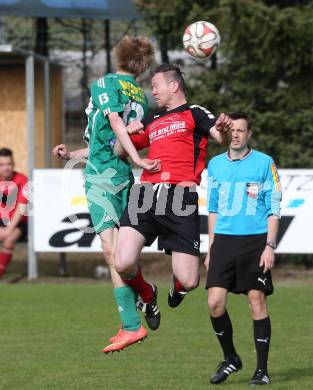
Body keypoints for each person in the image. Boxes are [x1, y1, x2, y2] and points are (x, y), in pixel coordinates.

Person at [53, 36, 160, 354]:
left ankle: (131, 324)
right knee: (113, 252)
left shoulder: (105, 83)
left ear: (119, 57)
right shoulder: (139, 95)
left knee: (111, 251)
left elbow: (115, 123)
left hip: (103, 177)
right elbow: (111, 141)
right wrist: (73, 152)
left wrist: (139, 159)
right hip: (119, 174)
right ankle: (145, 297)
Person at [114, 64, 233, 332]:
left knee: (190, 280)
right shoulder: (153, 119)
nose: (152, 91)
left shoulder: (195, 113)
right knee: (122, 263)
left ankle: (178, 287)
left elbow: (220, 137)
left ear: (174, 85)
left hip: (180, 196)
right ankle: (147, 295)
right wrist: (128, 132)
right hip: (145, 194)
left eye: (156, 85)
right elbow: (121, 151)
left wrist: (224, 129)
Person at [204, 111, 282, 385]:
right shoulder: (215, 165)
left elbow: (274, 207)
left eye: (240, 130)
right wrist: (211, 247)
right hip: (223, 241)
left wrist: (269, 246)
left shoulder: (264, 163)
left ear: (249, 134)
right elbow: (212, 207)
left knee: (256, 301)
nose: (235, 134)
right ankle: (231, 358)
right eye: (232, 130)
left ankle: (262, 370)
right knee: (214, 303)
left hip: (255, 242)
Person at [0, 148, 28, 278]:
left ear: (13, 164)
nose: (6, 168)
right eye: (2, 165)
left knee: (9, 239)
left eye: (9, 164)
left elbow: (21, 209)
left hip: (19, 223)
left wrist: (8, 230)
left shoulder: (23, 180)